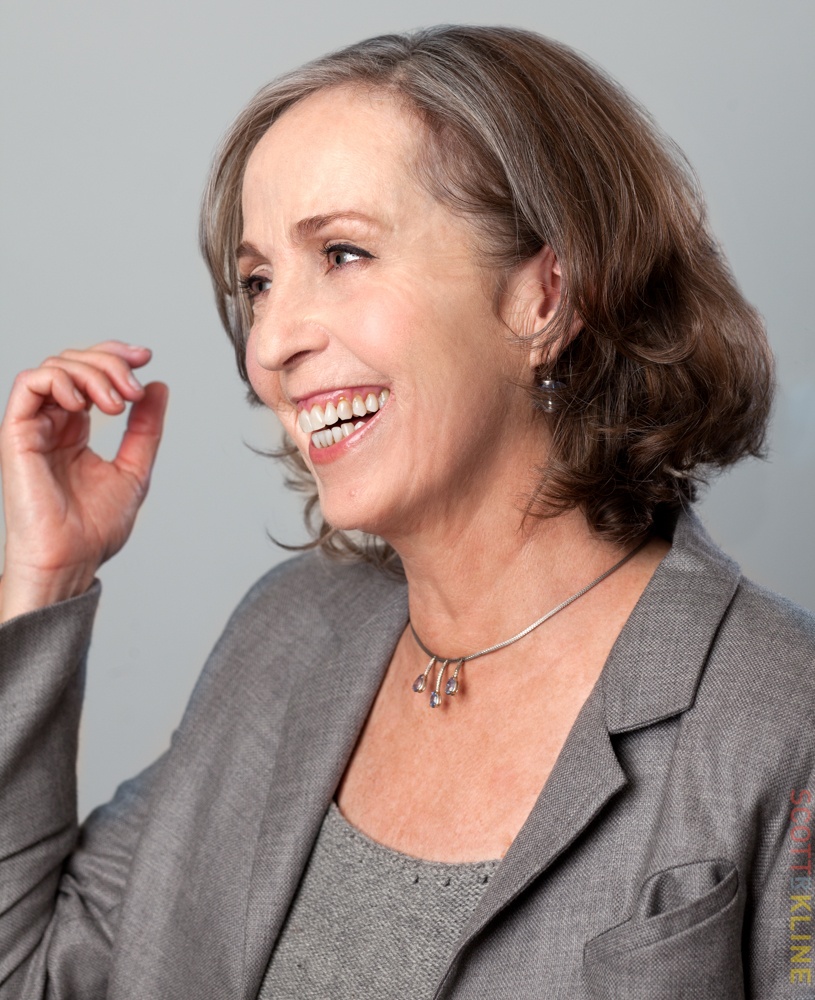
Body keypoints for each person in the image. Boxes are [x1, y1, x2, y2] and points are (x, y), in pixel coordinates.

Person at [0, 23, 812, 1000]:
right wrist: (44, 577)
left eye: (342, 253)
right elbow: (33, 975)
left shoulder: (780, 711)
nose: (271, 343)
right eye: (257, 283)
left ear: (544, 296)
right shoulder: (287, 634)